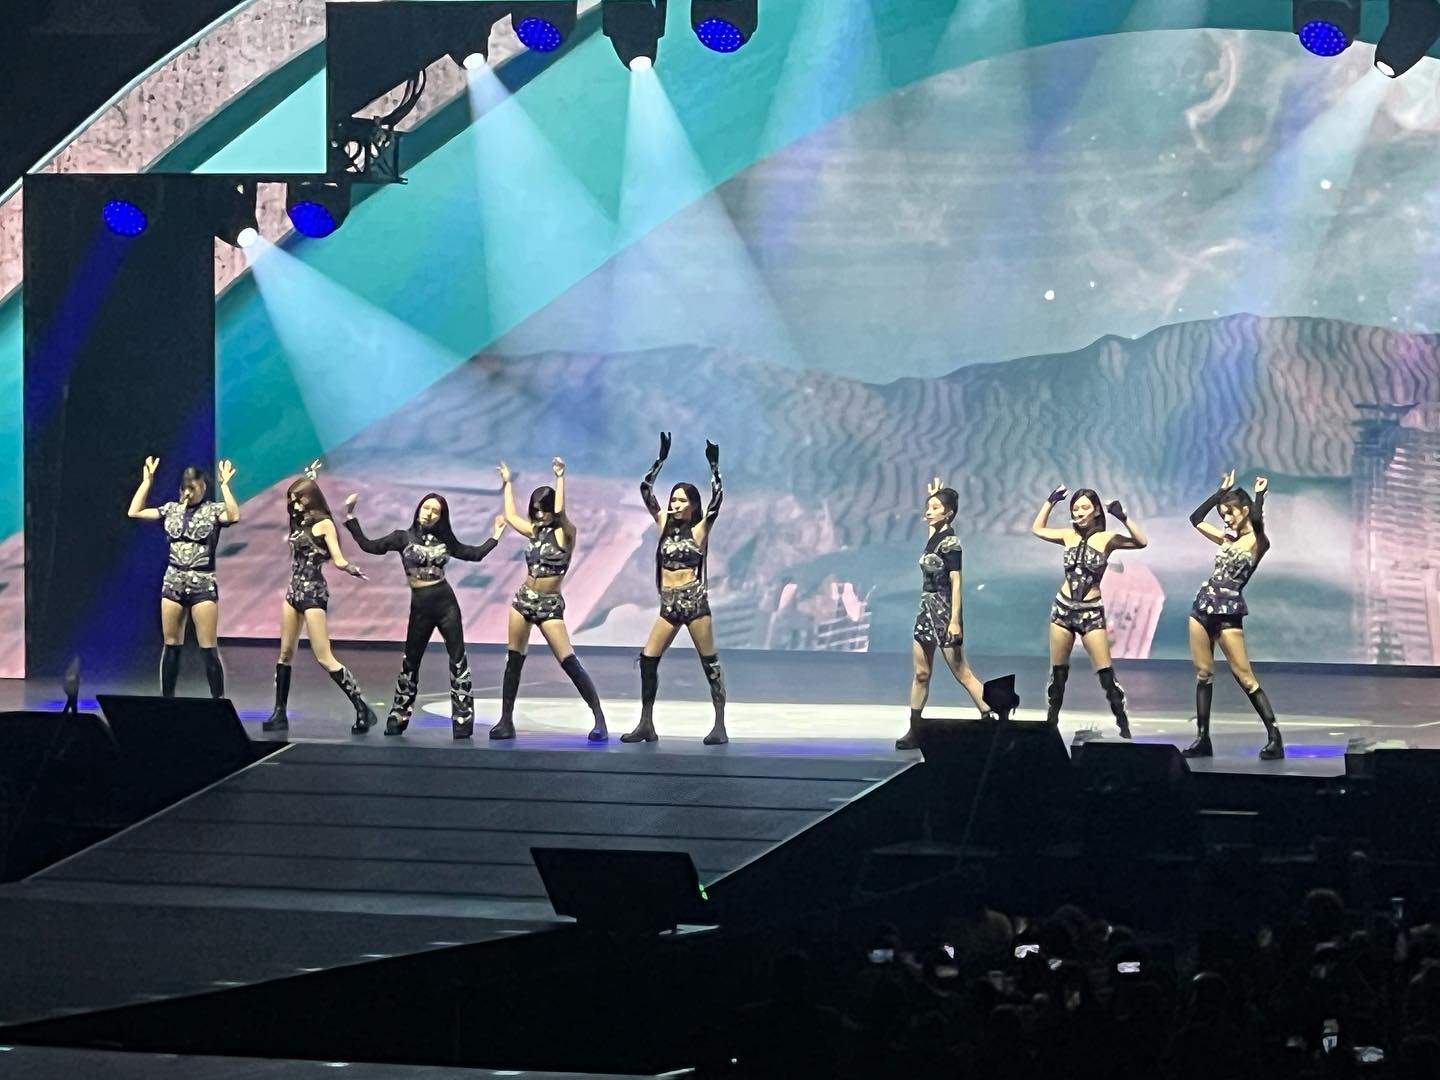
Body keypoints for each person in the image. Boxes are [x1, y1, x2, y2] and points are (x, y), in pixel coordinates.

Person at [343, 490, 506, 739]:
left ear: (441, 517)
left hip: (446, 605)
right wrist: (350, 516)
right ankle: (398, 718)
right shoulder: (402, 537)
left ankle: (463, 722)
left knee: (458, 660)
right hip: (420, 608)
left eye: (435, 511)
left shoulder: (445, 540)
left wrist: (496, 535)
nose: (429, 514)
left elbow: (473, 554)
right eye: (426, 508)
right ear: (418, 509)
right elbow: (370, 546)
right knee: (411, 661)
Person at [622, 433, 728, 745]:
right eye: (673, 499)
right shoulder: (663, 524)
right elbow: (645, 490)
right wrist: (660, 460)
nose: (675, 504)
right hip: (668, 604)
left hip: (694, 601)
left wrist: (714, 468)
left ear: (693, 505)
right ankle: (646, 723)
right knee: (648, 659)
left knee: (709, 663)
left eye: (682, 500)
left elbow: (717, 501)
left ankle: (720, 725)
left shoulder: (700, 529)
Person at [493, 457, 607, 741]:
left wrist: (560, 477)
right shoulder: (536, 531)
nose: (540, 515)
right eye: (536, 511)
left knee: (568, 660)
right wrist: (507, 483)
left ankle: (599, 719)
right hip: (524, 600)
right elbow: (511, 516)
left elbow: (560, 511)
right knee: (514, 660)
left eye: (543, 510)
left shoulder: (566, 533)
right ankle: (506, 720)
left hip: (549, 604)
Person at [261, 464, 376, 734]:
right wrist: (308, 478)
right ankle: (279, 713)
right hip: (293, 591)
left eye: (298, 500)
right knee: (285, 654)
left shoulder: (324, 524)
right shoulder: (298, 521)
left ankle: (362, 707)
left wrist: (351, 568)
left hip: (313, 592)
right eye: (291, 501)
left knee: (324, 656)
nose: (294, 506)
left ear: (310, 499)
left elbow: (338, 558)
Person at [1031, 485, 1149, 737]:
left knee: (1106, 674)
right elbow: (1038, 529)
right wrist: (1050, 501)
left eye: (1085, 507)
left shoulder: (1106, 539)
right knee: (1058, 675)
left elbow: (1141, 542)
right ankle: (1050, 726)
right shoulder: (1068, 535)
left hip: (1091, 612)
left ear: (1096, 511)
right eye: (1075, 508)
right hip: (1063, 609)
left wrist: (1122, 516)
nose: (1079, 512)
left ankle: (1123, 726)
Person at [1184, 471, 1282, 760]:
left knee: (1244, 676)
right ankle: (1203, 739)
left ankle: (1275, 737)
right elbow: (1195, 519)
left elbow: (1258, 522)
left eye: (1229, 513)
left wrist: (1259, 496)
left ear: (1245, 510)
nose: (1225, 519)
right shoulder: (1226, 538)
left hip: (1228, 612)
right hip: (1202, 607)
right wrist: (1219, 493)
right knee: (1204, 674)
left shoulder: (1258, 542)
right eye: (1222, 514)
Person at [895, 477, 997, 750]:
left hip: (944, 613)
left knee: (962, 672)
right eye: (928, 507)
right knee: (921, 674)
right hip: (925, 612)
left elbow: (956, 582)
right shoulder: (935, 538)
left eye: (935, 508)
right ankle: (915, 730)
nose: (928, 511)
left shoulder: (951, 543)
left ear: (948, 513)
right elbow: (932, 533)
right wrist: (935, 495)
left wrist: (954, 621)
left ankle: (993, 720)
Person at [127, 456, 240, 697]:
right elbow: (134, 511)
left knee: (208, 647)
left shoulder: (212, 510)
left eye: (193, 488)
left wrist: (225, 486)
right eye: (185, 488)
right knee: (171, 645)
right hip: (173, 583)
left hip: (202, 584)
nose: (188, 493)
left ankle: (218, 700)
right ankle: (167, 700)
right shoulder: (171, 509)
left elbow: (233, 516)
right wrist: (147, 482)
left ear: (203, 488)